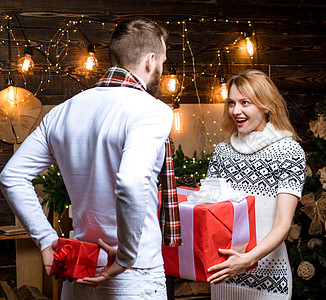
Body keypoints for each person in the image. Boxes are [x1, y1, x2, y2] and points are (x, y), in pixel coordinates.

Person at [0, 17, 180, 299]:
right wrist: (126, 256)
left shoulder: (62, 111)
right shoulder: (152, 110)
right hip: (134, 276)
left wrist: (46, 240)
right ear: (150, 60)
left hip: (80, 270)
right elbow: (131, 182)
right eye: (163, 61)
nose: (161, 68)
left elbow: (11, 176)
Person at [206, 69, 306, 299]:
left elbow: (282, 224)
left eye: (245, 102)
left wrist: (249, 259)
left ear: (266, 105)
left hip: (269, 281)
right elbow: (210, 215)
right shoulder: (222, 153)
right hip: (225, 277)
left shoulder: (288, 152)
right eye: (231, 103)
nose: (235, 110)